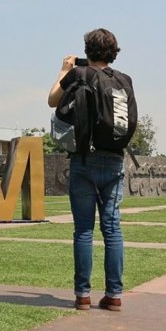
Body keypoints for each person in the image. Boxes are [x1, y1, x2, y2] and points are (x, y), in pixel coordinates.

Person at [48, 28, 130, 312]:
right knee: (112, 228)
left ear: (87, 50)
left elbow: (52, 99)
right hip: (115, 160)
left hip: (84, 160)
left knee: (84, 230)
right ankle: (114, 295)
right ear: (113, 51)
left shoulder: (78, 75)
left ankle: (83, 295)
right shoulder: (123, 80)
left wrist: (63, 70)